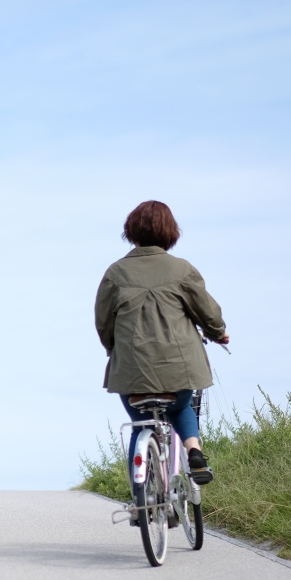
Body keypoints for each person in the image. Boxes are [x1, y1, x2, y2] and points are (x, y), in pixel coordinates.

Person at [94, 200, 229, 485]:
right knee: (181, 407)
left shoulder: (115, 273)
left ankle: (139, 496)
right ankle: (194, 451)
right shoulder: (182, 270)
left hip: (131, 373)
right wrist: (218, 333)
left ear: (131, 232)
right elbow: (208, 313)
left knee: (139, 424)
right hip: (178, 368)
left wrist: (113, 350)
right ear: (171, 232)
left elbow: (104, 323)